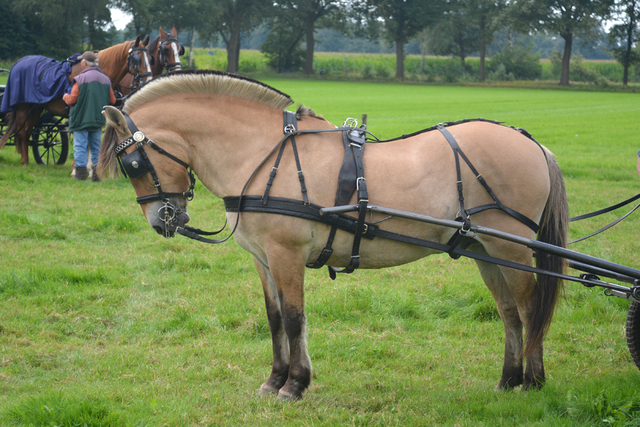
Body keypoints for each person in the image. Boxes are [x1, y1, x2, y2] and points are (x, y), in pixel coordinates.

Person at [63, 51, 116, 181]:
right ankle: (96, 175)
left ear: (85, 63)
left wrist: (65, 96)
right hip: (98, 120)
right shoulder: (106, 79)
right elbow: (113, 101)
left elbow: (72, 99)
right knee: (96, 147)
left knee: (80, 146)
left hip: (81, 119)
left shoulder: (80, 78)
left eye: (81, 61)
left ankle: (80, 175)